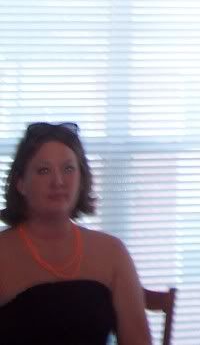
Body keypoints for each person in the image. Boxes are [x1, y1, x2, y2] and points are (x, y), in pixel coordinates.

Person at [0, 122, 152, 345]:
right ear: (20, 183)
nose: (58, 181)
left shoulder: (112, 252)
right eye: (44, 170)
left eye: (68, 169)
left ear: (82, 179)